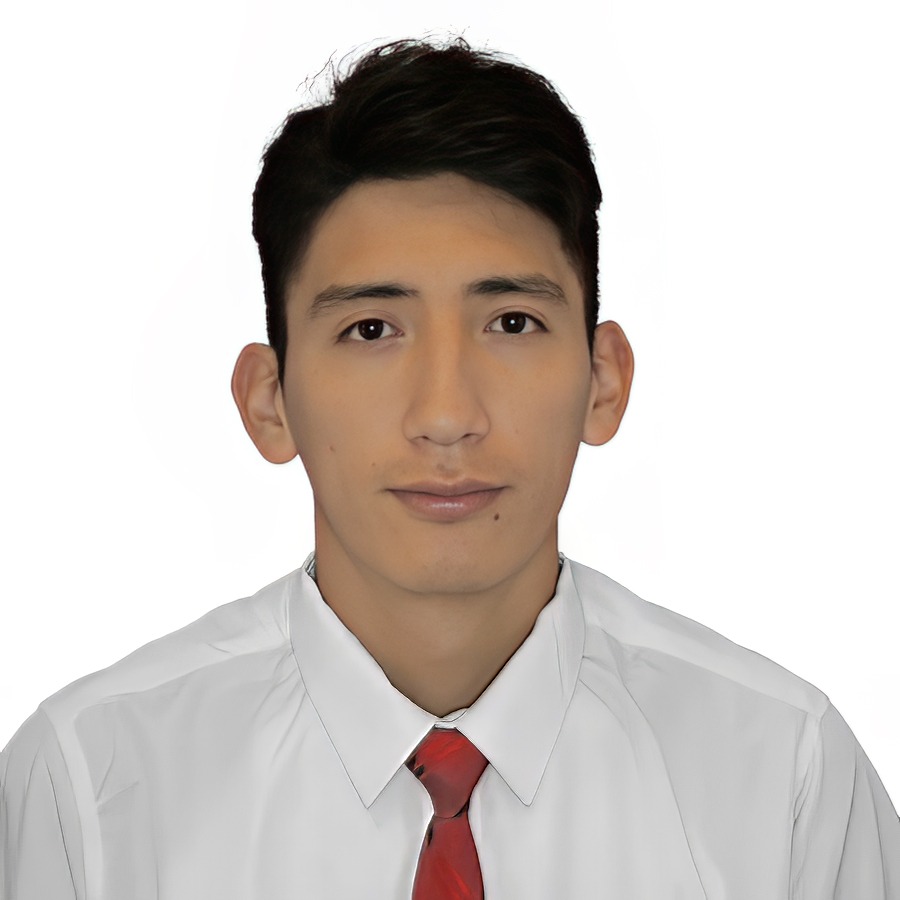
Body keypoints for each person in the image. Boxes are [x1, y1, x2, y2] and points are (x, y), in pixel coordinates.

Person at [1, 36, 897, 900]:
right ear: (269, 401)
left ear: (604, 381)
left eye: (511, 322)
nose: (445, 416)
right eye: (371, 330)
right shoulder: (89, 788)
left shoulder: (786, 777)